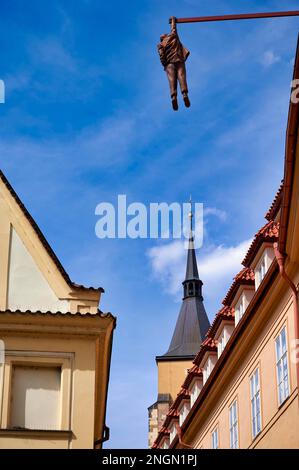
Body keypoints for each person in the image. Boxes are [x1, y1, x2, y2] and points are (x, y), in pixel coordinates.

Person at [157, 16, 190, 111]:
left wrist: (165, 64)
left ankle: (174, 97)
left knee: (172, 81)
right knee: (182, 77)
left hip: (169, 64)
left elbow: (162, 57)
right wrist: (173, 21)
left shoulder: (160, 45)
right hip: (179, 60)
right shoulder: (173, 36)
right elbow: (173, 28)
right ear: (166, 36)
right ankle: (184, 94)